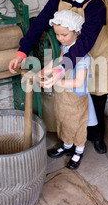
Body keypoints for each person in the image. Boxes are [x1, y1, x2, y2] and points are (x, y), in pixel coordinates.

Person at [9, 0, 108, 154]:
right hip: (71, 54)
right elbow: (41, 23)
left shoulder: (96, 3)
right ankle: (71, 139)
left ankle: (96, 136)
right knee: (71, 97)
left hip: (97, 53)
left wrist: (61, 69)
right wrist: (22, 51)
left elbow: (85, 41)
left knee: (95, 95)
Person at [42, 9, 97, 170]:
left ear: (76, 31)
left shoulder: (82, 56)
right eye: (57, 34)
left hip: (76, 98)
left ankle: (78, 151)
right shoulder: (63, 48)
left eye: (64, 35)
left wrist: (56, 82)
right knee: (63, 121)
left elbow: (79, 82)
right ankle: (66, 146)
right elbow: (56, 63)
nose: (60, 38)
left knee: (77, 125)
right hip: (63, 97)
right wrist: (39, 73)